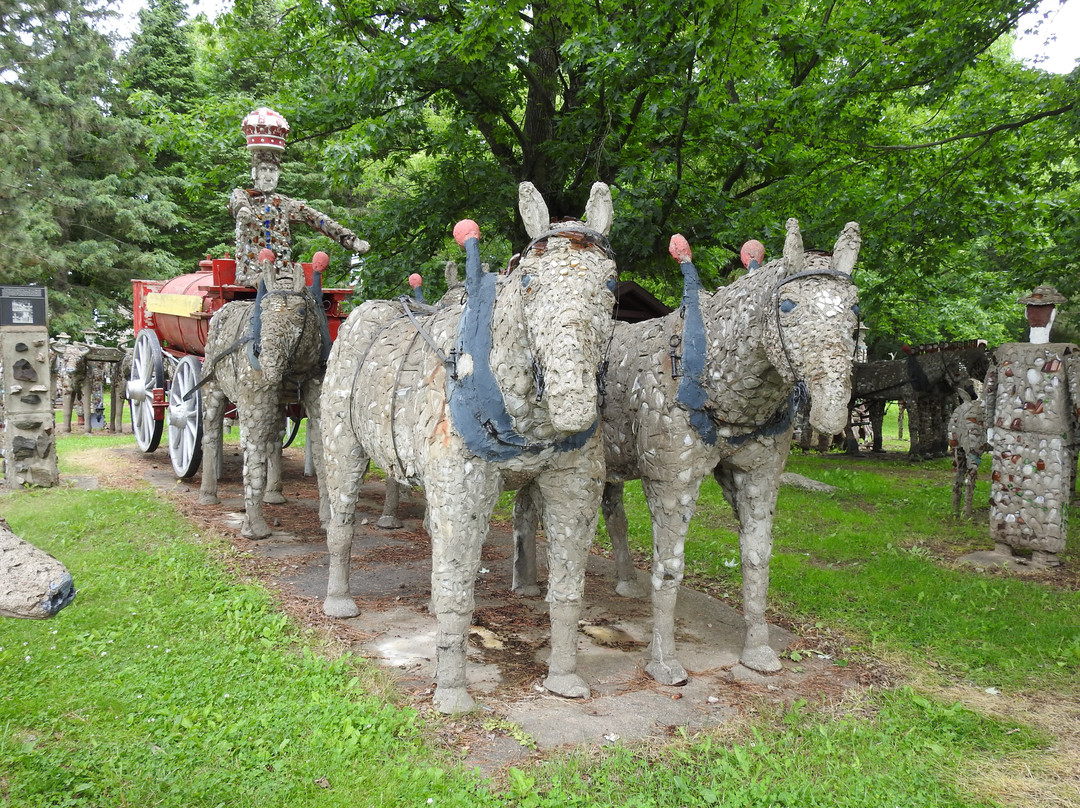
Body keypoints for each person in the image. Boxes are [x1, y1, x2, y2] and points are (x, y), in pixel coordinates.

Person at [984, 285, 1080, 566]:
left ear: (1026, 316)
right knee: (1041, 494)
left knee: (1013, 489)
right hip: (1044, 437)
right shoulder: (1066, 353)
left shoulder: (1007, 352)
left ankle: (1010, 544)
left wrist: (990, 425)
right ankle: (1034, 549)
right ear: (1054, 316)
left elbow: (990, 392)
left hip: (1015, 433)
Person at [229, 107, 369, 287]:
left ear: (278, 174)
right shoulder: (244, 196)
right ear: (254, 172)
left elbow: (318, 219)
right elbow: (238, 202)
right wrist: (243, 210)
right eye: (264, 169)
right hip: (252, 276)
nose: (269, 176)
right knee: (265, 282)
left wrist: (350, 240)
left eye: (273, 170)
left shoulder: (285, 204)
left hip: (285, 277)